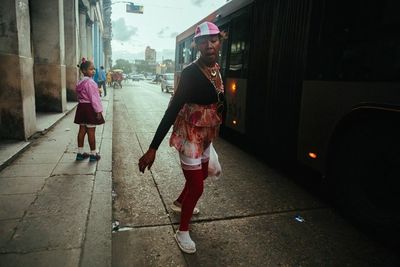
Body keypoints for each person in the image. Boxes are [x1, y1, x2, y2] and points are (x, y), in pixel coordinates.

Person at [138, 21, 224, 254]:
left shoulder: (216, 68)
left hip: (206, 133)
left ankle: (179, 203)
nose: (209, 45)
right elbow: (172, 109)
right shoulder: (190, 73)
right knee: (197, 187)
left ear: (220, 42)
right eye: (204, 41)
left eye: (214, 40)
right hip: (189, 135)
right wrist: (153, 147)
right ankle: (182, 231)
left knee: (203, 175)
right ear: (197, 45)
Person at [74, 58, 105, 161]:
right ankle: (93, 154)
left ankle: (80, 153)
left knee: (82, 130)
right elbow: (94, 99)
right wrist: (98, 111)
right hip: (89, 108)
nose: (94, 71)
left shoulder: (80, 82)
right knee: (91, 131)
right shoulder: (91, 83)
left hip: (81, 107)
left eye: (94, 69)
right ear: (84, 71)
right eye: (91, 69)